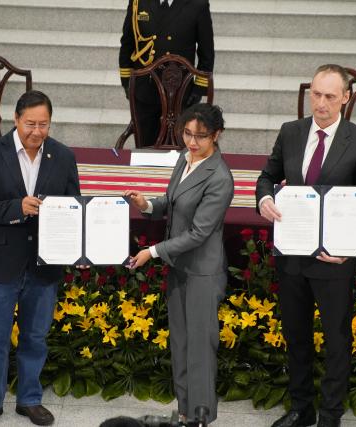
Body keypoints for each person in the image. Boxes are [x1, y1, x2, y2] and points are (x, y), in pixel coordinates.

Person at [255, 64, 356, 427]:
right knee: (296, 337)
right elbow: (267, 176)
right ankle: (301, 408)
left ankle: (329, 415)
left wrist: (352, 246)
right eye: (315, 94)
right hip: (293, 255)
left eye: (329, 96)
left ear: (346, 98)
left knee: (336, 341)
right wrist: (264, 199)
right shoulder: (291, 132)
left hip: (334, 260)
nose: (321, 103)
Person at [0, 90, 80, 427]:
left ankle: (30, 399)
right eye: (30, 124)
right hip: (2, 263)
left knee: (35, 336)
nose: (37, 131)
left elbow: (73, 207)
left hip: (45, 263)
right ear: (15, 119)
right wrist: (17, 208)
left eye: (44, 124)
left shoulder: (63, 156)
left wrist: (80, 248)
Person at [124, 103, 234, 424]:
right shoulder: (184, 159)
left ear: (216, 135)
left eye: (201, 136)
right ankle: (185, 411)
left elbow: (199, 232)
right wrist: (146, 205)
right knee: (181, 344)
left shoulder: (220, 177)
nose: (192, 142)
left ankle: (201, 416)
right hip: (180, 269)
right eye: (187, 133)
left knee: (200, 350)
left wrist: (153, 251)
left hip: (202, 273)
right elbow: (172, 203)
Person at [119, 0, 214, 147]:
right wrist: (126, 81)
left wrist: (199, 87)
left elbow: (206, 51)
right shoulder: (139, 2)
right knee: (145, 147)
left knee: (179, 149)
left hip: (180, 92)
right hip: (145, 89)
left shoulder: (198, 4)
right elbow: (127, 43)